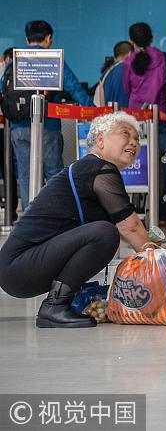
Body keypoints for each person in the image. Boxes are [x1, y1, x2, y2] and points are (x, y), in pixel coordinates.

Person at [0, 112, 155, 328]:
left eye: (137, 138)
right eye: (125, 134)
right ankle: (54, 306)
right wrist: (161, 265)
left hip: (21, 267)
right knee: (104, 233)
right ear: (100, 140)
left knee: (102, 232)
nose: (133, 142)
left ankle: (63, 301)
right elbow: (130, 227)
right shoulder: (99, 169)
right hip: (19, 266)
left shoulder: (90, 168)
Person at [6, 21, 94, 211]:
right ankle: (56, 216)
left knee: (26, 174)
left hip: (18, 128)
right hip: (48, 126)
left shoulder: (14, 62)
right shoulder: (52, 60)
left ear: (27, 39)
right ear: (48, 38)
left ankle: (29, 217)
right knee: (54, 174)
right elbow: (74, 87)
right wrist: (92, 111)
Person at [124, 22, 166, 226]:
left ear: (132, 41)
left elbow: (127, 88)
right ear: (152, 38)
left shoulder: (129, 62)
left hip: (136, 119)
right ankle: (162, 214)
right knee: (164, 164)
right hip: (161, 118)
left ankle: (135, 211)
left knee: (135, 161)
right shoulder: (163, 58)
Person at [93, 41, 132, 107]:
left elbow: (101, 108)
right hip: (131, 115)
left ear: (115, 57)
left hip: (110, 116)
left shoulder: (104, 75)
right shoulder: (133, 71)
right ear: (130, 54)